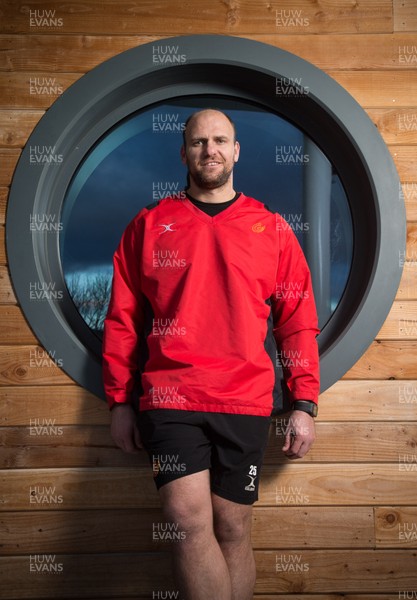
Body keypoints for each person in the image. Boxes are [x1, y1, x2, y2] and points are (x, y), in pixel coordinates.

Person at [102, 108, 320, 600]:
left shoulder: (272, 229)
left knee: (233, 528)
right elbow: (122, 321)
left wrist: (304, 404)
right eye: (199, 142)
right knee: (185, 520)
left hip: (244, 401)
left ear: (236, 150)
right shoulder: (149, 225)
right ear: (183, 152)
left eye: (220, 140)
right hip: (170, 398)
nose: (210, 150)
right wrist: (119, 401)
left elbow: (297, 322)